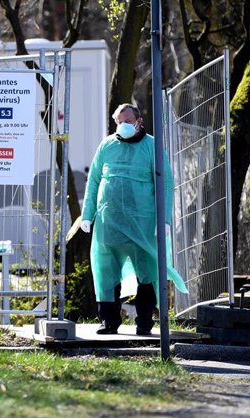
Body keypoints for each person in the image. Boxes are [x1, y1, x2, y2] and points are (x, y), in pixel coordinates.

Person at [80, 103, 187, 335]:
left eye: (127, 121)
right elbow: (94, 181)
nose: (122, 126)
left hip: (142, 224)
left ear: (139, 121)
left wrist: (164, 218)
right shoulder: (106, 146)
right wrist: (87, 215)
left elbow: (166, 184)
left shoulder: (152, 147)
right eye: (118, 122)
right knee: (106, 271)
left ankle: (145, 322)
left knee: (146, 273)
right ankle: (109, 321)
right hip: (109, 225)